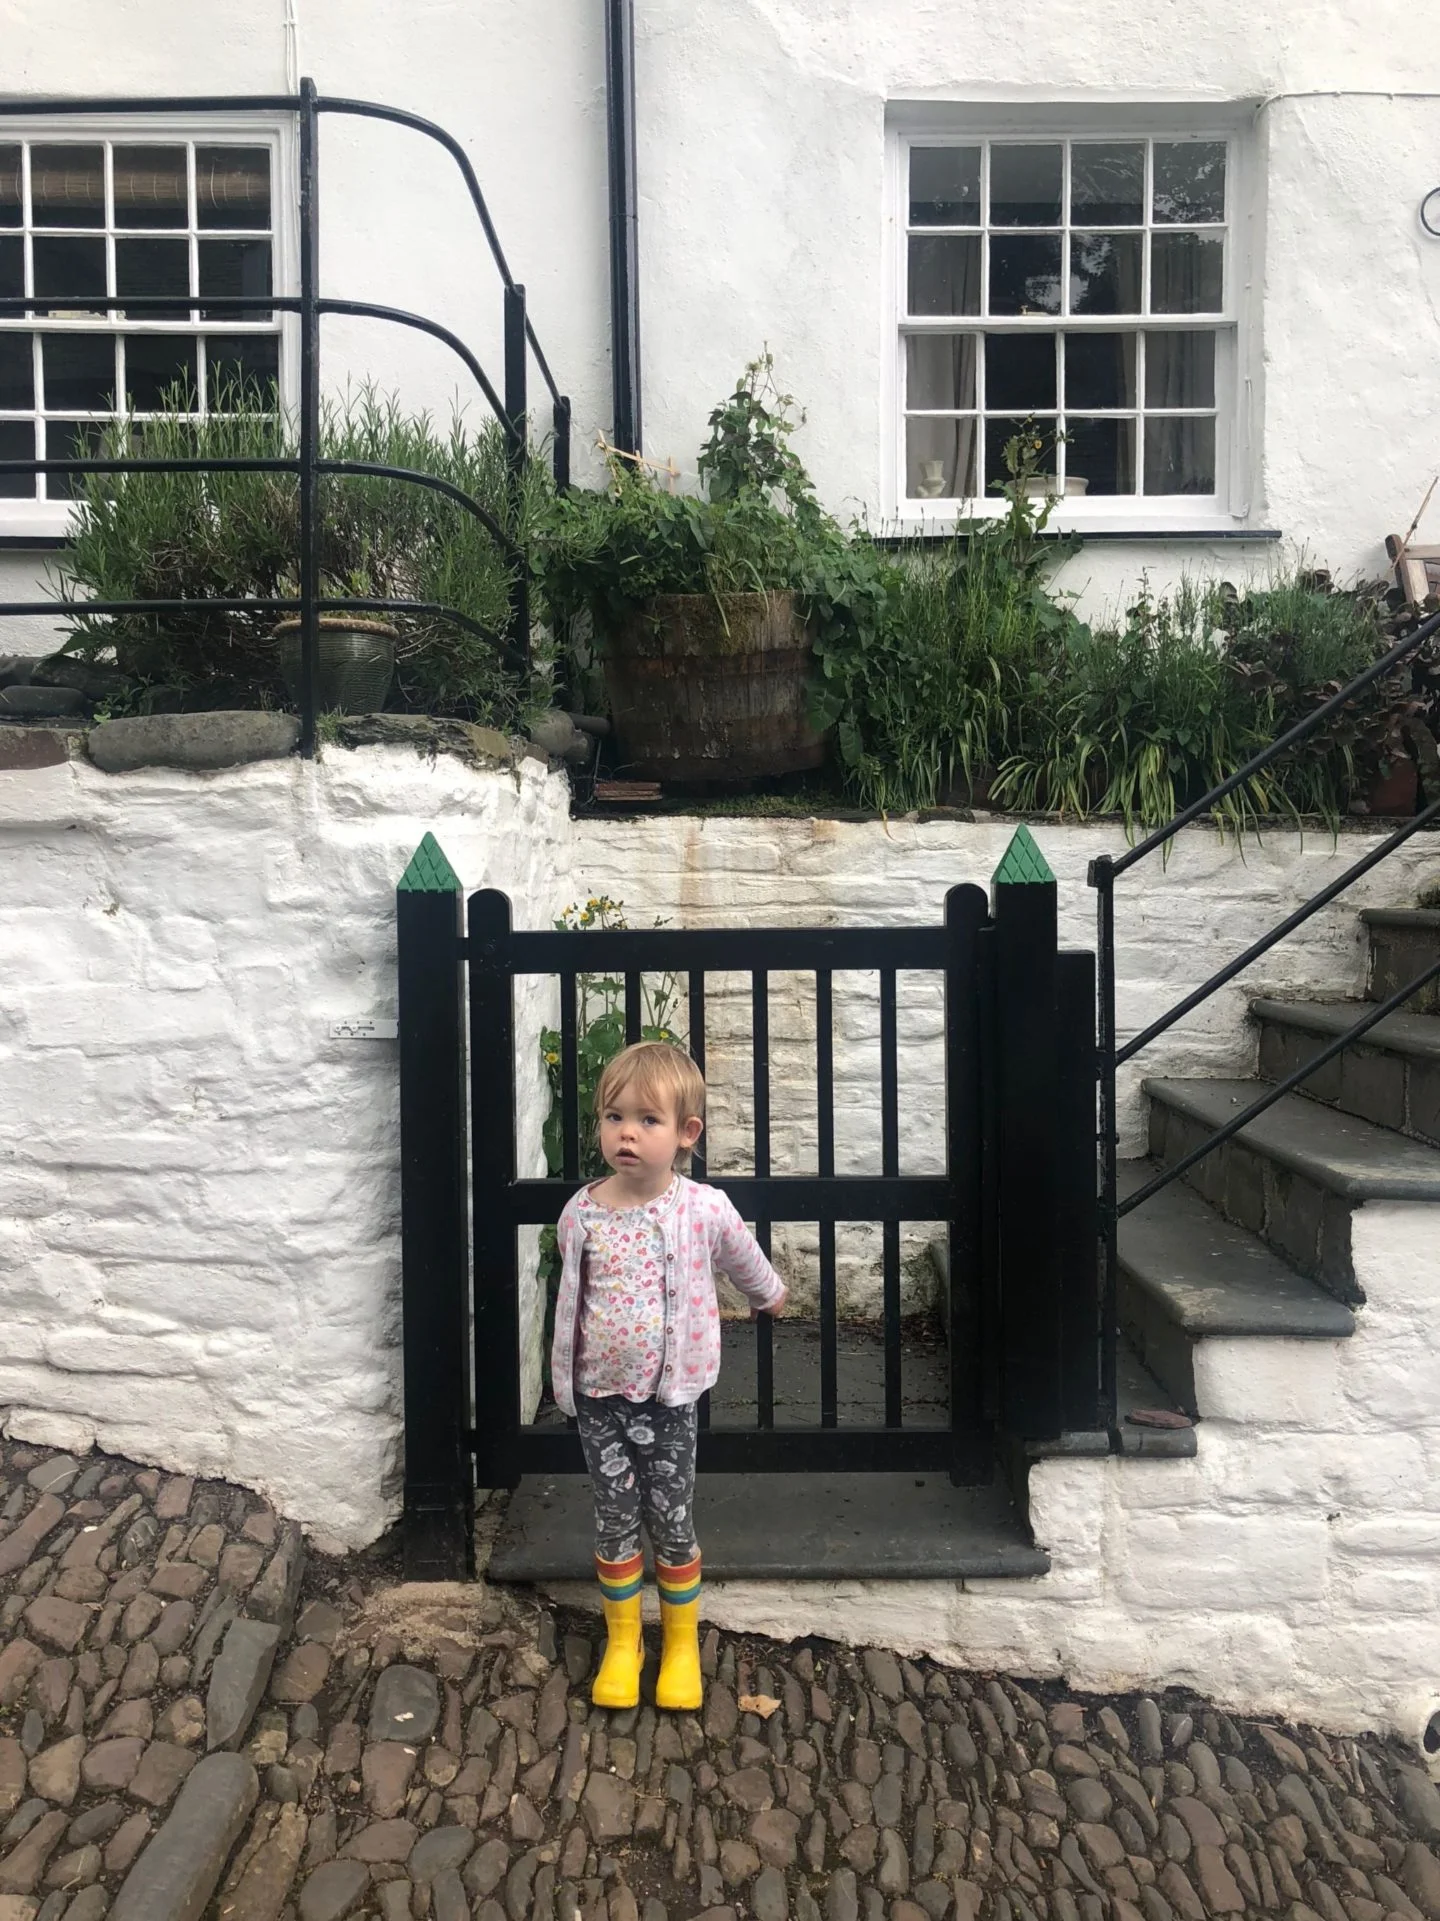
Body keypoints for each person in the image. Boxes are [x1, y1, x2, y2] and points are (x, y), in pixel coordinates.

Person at [551, 1039, 787, 1711]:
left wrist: (769, 1294)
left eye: (647, 1120)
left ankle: (679, 1644)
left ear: (686, 1134)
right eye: (614, 1115)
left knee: (672, 1519)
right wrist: (564, 1380)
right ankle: (623, 1642)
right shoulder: (583, 1211)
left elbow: (742, 1255)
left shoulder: (702, 1208)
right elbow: (572, 1299)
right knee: (614, 1518)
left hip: (668, 1402)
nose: (626, 1131)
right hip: (599, 1400)